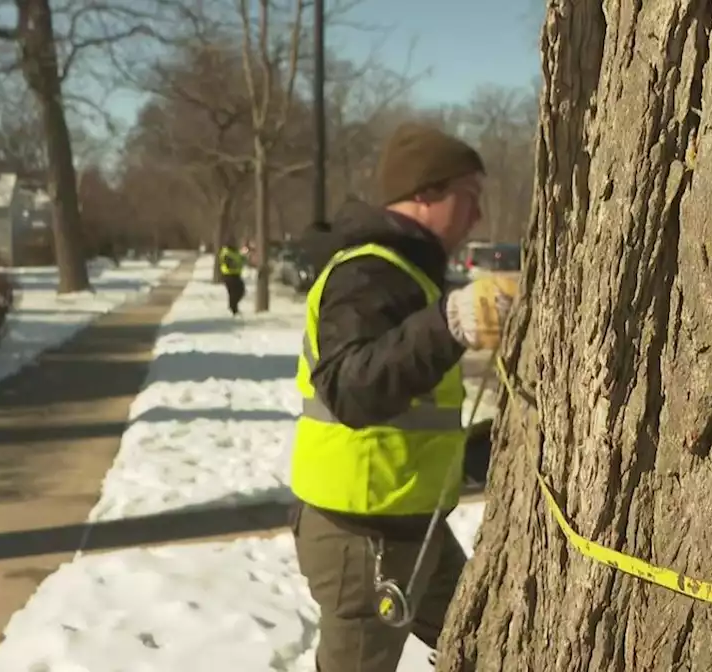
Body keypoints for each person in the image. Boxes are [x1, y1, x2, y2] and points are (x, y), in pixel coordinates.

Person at [289, 122, 519, 671]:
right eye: (469, 198)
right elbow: (351, 388)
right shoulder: (368, 272)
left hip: (409, 526)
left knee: (486, 641)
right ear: (425, 194)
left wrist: (490, 448)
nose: (478, 218)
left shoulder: (408, 276)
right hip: (363, 542)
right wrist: (451, 323)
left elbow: (412, 416)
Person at [218, 243, 246, 316]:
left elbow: (240, 259)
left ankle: (233, 308)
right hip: (228, 275)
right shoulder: (226, 252)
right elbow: (228, 263)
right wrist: (234, 264)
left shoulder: (235, 252)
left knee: (240, 291)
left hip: (236, 275)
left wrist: (243, 258)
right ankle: (233, 309)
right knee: (234, 292)